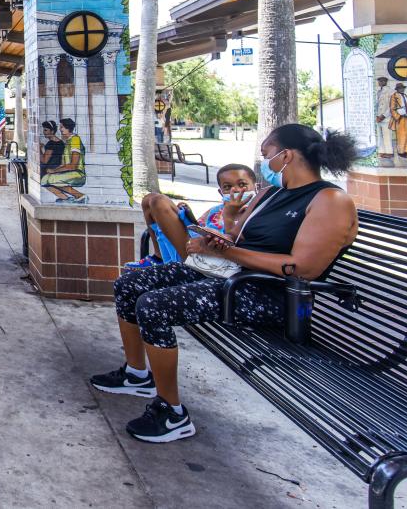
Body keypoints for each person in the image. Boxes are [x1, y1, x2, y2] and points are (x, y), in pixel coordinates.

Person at [90, 124, 358, 443]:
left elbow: (302, 268)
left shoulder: (329, 200)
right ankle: (136, 374)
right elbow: (235, 235)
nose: (264, 164)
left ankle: (172, 412)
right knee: (131, 284)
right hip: (232, 277)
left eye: (267, 155)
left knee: (154, 305)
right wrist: (212, 241)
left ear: (286, 156)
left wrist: (230, 251)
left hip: (268, 295)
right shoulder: (271, 194)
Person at [129, 164, 257, 269]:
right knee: (149, 199)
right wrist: (185, 216)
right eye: (227, 187)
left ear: (256, 187)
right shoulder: (215, 210)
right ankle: (159, 257)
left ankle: (162, 259)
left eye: (242, 185)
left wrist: (230, 217)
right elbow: (197, 228)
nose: (235, 190)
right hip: (192, 247)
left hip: (211, 260)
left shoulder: (257, 212)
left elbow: (243, 248)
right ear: (220, 192)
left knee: (159, 201)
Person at [40, 118, 86, 203]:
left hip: (77, 173)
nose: (60, 130)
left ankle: (80, 196)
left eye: (62, 127)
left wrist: (54, 170)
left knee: (49, 179)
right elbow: (64, 163)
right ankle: (68, 199)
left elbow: (73, 165)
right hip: (69, 172)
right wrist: (55, 170)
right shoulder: (68, 141)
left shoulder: (75, 140)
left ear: (68, 128)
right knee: (45, 179)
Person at [390, 82, 407, 158]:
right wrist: (397, 116)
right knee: (401, 135)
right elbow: (392, 108)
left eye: (403, 88)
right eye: (400, 88)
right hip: (400, 118)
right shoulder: (394, 96)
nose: (402, 89)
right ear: (397, 89)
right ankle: (401, 152)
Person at [375, 76, 394, 160]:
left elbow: (392, 106)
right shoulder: (379, 92)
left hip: (386, 117)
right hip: (378, 117)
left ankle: (389, 152)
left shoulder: (390, 92)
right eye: (379, 81)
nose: (380, 82)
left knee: (387, 135)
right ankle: (382, 151)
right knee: (380, 135)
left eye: (381, 81)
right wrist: (377, 115)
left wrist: (383, 116)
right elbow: (377, 105)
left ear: (385, 82)